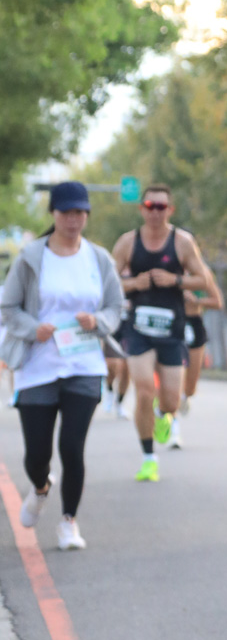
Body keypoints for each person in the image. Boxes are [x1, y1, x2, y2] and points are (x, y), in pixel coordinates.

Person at [0, 182, 125, 550]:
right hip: (38, 366)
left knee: (72, 447)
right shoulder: (30, 257)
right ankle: (41, 487)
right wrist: (32, 328)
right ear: (53, 214)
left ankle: (69, 521)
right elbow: (8, 307)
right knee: (37, 455)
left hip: (84, 364)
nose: (74, 219)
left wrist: (98, 321)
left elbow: (116, 306)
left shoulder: (98, 258)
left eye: (80, 212)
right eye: (67, 212)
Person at [110, 185, 220, 482]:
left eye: (161, 207)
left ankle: (162, 415)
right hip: (139, 328)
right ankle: (148, 458)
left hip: (172, 329)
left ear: (170, 210)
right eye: (150, 206)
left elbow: (204, 280)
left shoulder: (182, 242)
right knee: (145, 390)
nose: (155, 212)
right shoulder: (128, 242)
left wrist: (175, 280)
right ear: (141, 209)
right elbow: (107, 282)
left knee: (172, 401)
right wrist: (134, 284)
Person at [175, 253, 225, 443]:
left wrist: (197, 302)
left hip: (194, 324)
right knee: (174, 376)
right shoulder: (169, 271)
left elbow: (217, 302)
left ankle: (185, 397)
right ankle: (173, 427)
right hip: (173, 324)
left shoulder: (203, 273)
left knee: (190, 385)